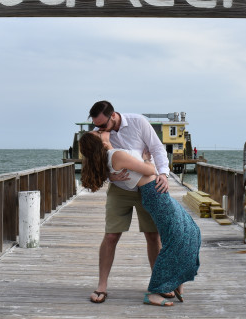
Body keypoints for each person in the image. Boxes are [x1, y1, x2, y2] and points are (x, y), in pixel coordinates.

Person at [80, 130, 201, 306]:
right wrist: (145, 159)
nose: (101, 130)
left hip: (155, 193)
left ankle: (173, 281)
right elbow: (151, 169)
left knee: (189, 232)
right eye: (98, 132)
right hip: (154, 194)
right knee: (175, 238)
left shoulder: (112, 152)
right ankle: (156, 289)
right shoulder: (116, 154)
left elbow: (112, 162)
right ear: (98, 141)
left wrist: (114, 170)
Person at [86, 100, 171, 304]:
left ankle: (157, 285)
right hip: (120, 190)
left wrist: (164, 175)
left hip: (146, 188)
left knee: (153, 235)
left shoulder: (138, 122)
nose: (98, 129)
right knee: (111, 235)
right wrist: (111, 177)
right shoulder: (100, 134)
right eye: (96, 126)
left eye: (102, 125)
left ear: (113, 115)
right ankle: (102, 286)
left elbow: (157, 149)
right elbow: (96, 162)